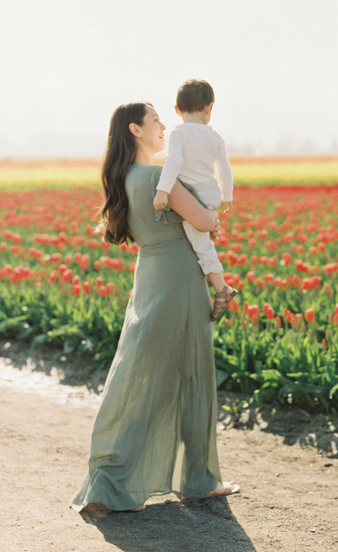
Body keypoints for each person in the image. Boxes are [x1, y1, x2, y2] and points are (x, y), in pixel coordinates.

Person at [70, 102, 239, 513]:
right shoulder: (156, 176)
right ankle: (197, 479)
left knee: (139, 372)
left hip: (150, 277)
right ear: (136, 129)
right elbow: (202, 220)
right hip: (181, 278)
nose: (165, 125)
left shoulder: (124, 177)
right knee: (192, 375)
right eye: (156, 120)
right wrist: (213, 215)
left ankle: (110, 476)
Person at [152, 79, 237, 321]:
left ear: (177, 110)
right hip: (209, 192)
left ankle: (222, 289)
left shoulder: (179, 132)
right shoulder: (215, 135)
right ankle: (219, 284)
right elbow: (224, 167)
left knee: (200, 243)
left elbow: (173, 162)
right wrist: (226, 195)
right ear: (209, 107)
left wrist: (162, 190)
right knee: (202, 236)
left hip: (192, 192)